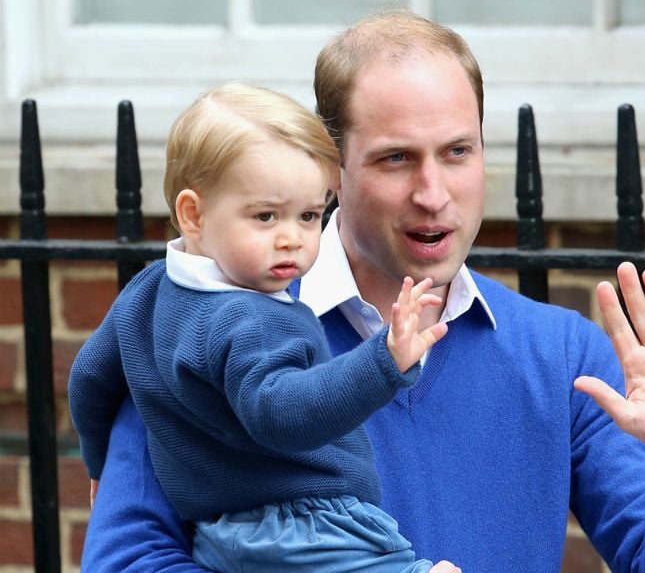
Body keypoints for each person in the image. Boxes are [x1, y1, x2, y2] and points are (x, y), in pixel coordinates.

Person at [79, 10, 645, 573]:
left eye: (456, 152)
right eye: (396, 158)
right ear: (331, 170)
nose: (432, 194)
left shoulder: (560, 354)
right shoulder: (199, 328)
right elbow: (127, 559)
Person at [68, 82, 460, 573]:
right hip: (306, 526)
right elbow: (282, 413)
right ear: (194, 213)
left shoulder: (147, 292)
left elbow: (88, 377)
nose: (291, 239)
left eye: (310, 216)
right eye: (266, 215)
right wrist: (383, 362)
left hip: (219, 533)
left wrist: (99, 465)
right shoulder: (253, 317)